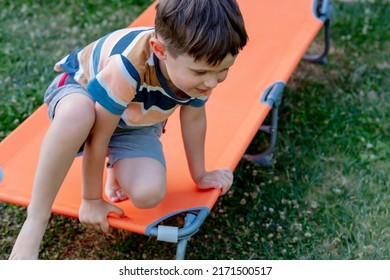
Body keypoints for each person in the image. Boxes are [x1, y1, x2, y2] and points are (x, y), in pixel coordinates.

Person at [9, 0, 248, 259]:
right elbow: (97, 138)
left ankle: (117, 164)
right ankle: (35, 221)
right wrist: (91, 199)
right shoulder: (128, 65)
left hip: (134, 119)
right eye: (201, 71)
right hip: (84, 95)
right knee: (78, 114)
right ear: (160, 50)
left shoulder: (201, 72)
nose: (212, 81)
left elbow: (193, 119)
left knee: (149, 194)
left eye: (224, 69)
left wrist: (200, 174)